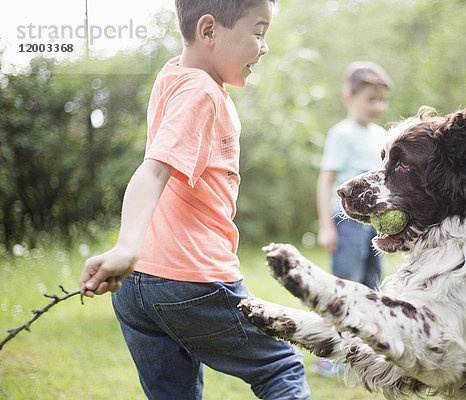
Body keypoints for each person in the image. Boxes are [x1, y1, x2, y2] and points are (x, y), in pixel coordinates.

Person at [79, 1, 310, 399]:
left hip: (139, 290)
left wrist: (134, 256)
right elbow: (153, 171)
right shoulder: (201, 91)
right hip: (191, 279)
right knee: (279, 366)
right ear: (208, 31)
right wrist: (126, 246)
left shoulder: (174, 75)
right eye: (258, 31)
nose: (265, 46)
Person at [314, 62, 392, 374]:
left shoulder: (381, 136)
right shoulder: (341, 134)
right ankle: (326, 355)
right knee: (344, 287)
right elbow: (325, 181)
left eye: (382, 99)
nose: (378, 106)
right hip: (345, 224)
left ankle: (361, 351)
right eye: (371, 99)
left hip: (373, 225)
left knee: (372, 286)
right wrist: (326, 226)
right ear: (350, 98)